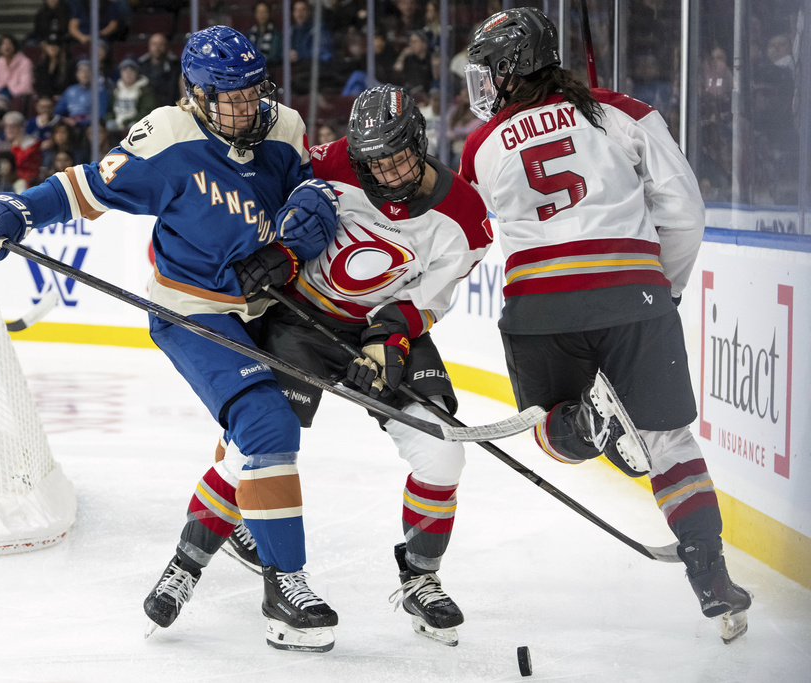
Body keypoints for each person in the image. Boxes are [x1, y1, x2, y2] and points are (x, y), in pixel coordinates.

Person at [0, 25, 340, 652]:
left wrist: (305, 225)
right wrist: (18, 211)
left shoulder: (285, 126)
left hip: (269, 306)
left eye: (252, 94)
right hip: (193, 310)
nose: (245, 108)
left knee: (250, 445)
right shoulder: (168, 135)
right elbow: (88, 186)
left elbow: (309, 189)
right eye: (228, 97)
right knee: (270, 428)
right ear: (196, 95)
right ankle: (283, 587)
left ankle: (200, 555)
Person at [458, 7, 752, 641]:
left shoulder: (481, 146)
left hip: (539, 309)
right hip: (632, 298)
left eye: (489, 74)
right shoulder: (624, 113)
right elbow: (685, 213)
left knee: (548, 431)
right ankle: (711, 575)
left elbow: (466, 238)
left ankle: (586, 420)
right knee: (669, 443)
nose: (483, 87)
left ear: (511, 69)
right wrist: (656, 288)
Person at [180, 84, 492, 646]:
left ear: (419, 141)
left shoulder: (465, 215)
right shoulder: (323, 163)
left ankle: (421, 580)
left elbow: (432, 297)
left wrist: (392, 336)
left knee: (444, 450)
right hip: (300, 318)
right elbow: (268, 219)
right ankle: (193, 554)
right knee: (253, 444)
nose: (390, 172)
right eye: (375, 161)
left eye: (399, 156)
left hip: (384, 329)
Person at [107, 57, 156, 135]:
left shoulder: (144, 89)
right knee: (109, 125)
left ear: (137, 73)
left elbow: (147, 111)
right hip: (117, 123)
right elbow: (109, 109)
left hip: (135, 122)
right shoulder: (116, 89)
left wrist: (128, 121)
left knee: (133, 126)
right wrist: (110, 119)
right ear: (121, 73)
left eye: (132, 70)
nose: (128, 74)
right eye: (125, 70)